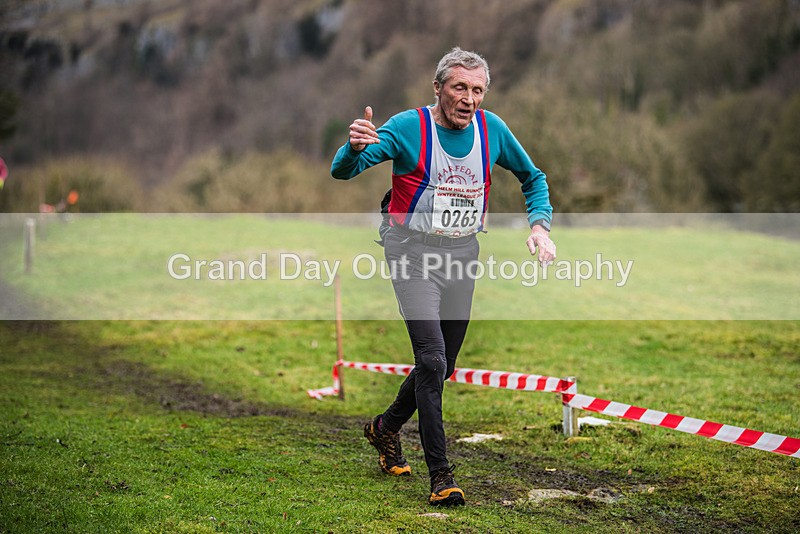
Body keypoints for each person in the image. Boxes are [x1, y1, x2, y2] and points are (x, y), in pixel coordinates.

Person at [330, 47, 556, 506]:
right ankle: (441, 477)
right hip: (411, 254)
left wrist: (539, 226)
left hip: (461, 255)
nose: (469, 98)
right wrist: (352, 147)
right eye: (459, 88)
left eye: (477, 90)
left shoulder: (493, 130)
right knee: (431, 361)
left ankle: (385, 427)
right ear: (438, 88)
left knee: (443, 365)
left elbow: (533, 178)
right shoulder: (408, 128)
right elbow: (343, 171)